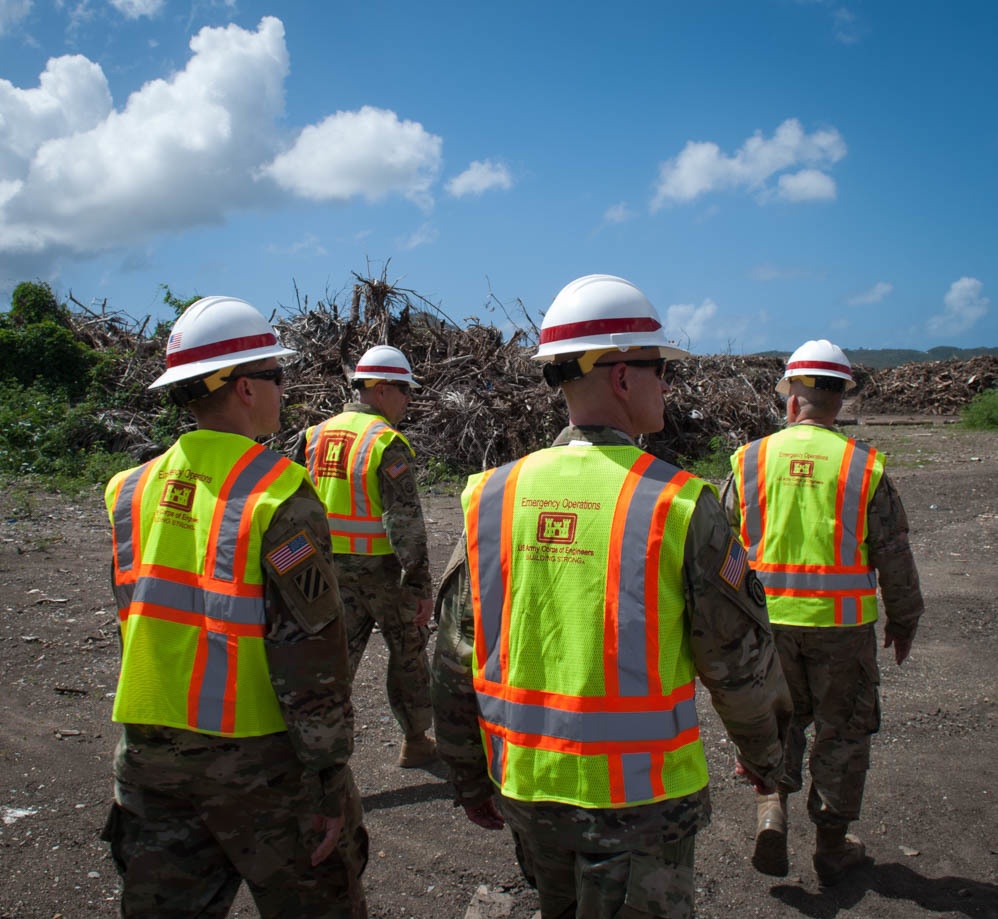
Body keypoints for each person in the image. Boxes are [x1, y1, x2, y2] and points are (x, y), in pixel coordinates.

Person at [431, 274, 792, 919]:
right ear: (622, 377)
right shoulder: (679, 504)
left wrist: (466, 774)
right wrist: (765, 757)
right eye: (660, 370)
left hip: (529, 789)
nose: (667, 386)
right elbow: (737, 663)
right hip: (642, 805)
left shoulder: (491, 497)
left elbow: (455, 655)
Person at [102, 296, 368, 918]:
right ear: (245, 387)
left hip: (149, 757)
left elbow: (133, 615)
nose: (284, 390)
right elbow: (311, 656)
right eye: (277, 377)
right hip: (261, 764)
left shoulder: (128, 490)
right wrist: (329, 776)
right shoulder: (278, 494)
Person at [722, 339, 925, 887]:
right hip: (844, 631)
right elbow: (894, 552)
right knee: (844, 732)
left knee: (778, 724)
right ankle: (832, 846)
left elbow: (723, 555)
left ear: (791, 399)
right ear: (841, 401)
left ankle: (771, 811)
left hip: (769, 626)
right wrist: (904, 621)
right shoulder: (864, 467)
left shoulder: (751, 460)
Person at [297, 344, 436, 768]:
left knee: (336, 659)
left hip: (330, 570)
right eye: (404, 391)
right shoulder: (385, 442)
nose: (408, 401)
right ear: (378, 389)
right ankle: (415, 741)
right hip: (385, 572)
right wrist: (419, 581)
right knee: (408, 652)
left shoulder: (315, 435)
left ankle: (319, 753)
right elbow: (404, 521)